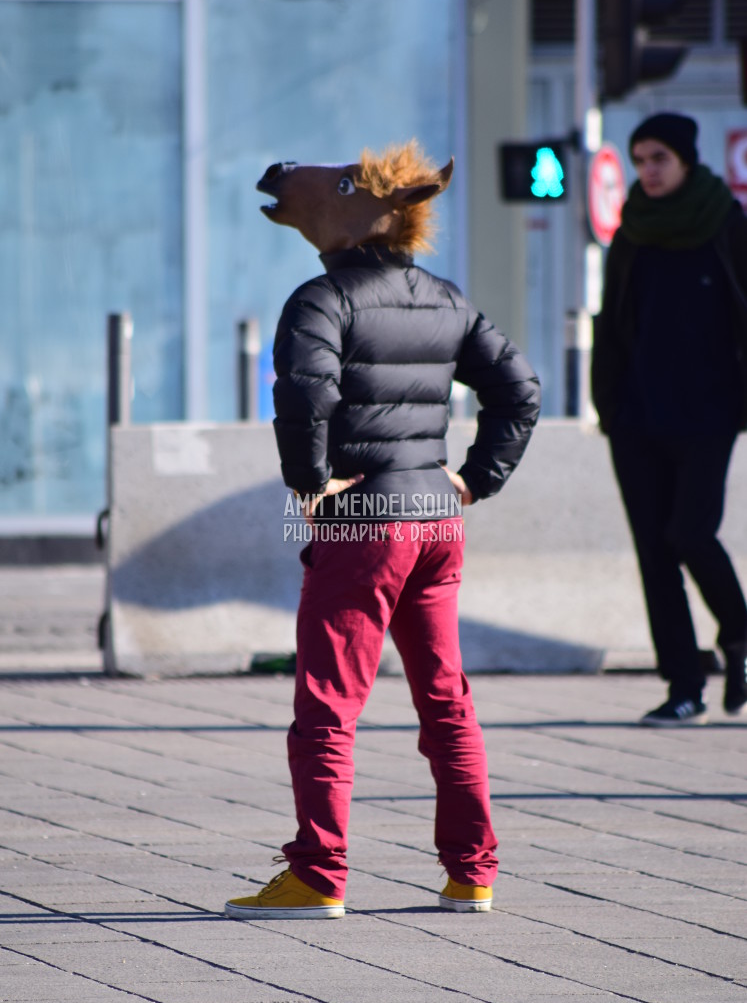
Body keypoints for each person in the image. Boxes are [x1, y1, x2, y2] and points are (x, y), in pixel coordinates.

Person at [224, 142, 541, 918]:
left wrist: (308, 483)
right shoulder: (442, 298)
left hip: (364, 523)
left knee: (327, 704)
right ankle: (472, 871)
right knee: (446, 701)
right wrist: (473, 479)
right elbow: (519, 390)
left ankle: (316, 875)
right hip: (434, 520)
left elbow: (304, 395)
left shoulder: (320, 301)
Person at [592, 112, 747, 727]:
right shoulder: (632, 233)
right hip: (637, 417)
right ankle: (684, 684)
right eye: (639, 160)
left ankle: (738, 636)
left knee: (690, 533)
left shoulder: (728, 227)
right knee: (654, 553)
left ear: (685, 159)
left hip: (709, 415)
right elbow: (614, 322)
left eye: (658, 158)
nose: (647, 172)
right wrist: (611, 406)